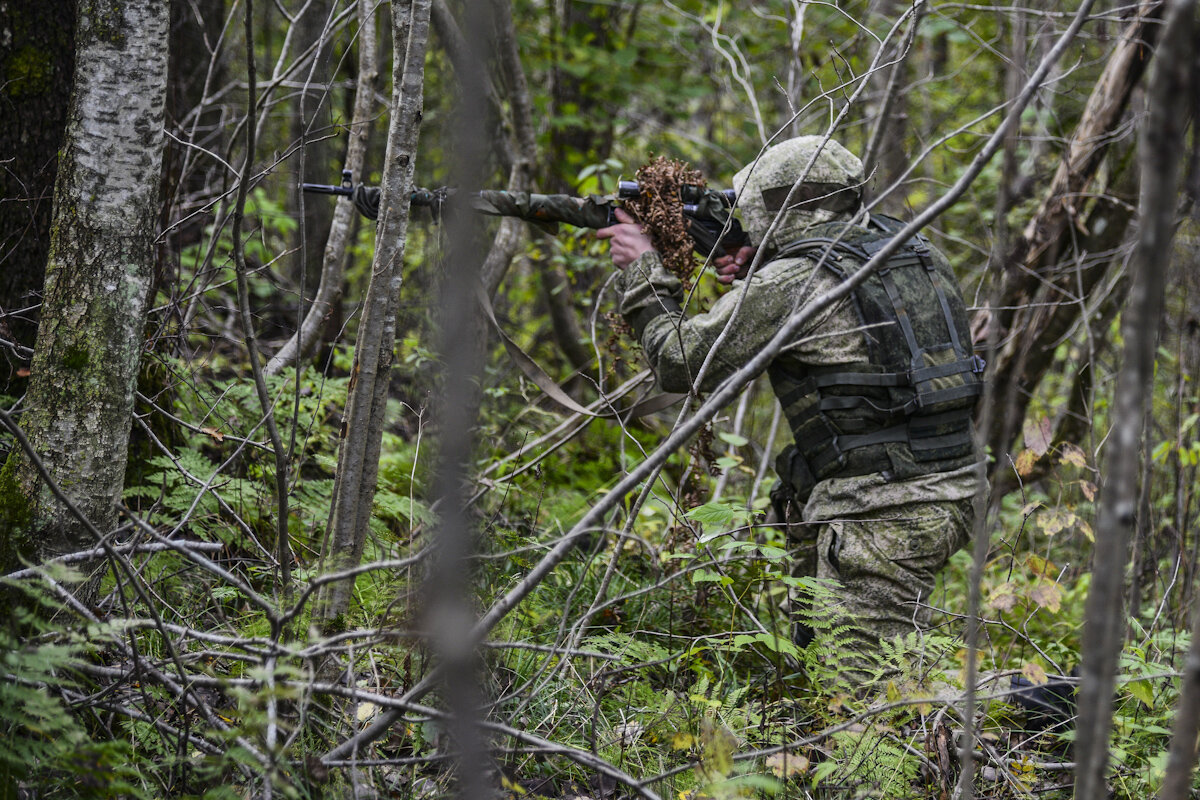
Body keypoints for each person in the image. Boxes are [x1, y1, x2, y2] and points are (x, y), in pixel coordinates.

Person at [597, 136, 985, 681]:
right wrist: (766, 268)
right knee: (831, 670)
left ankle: (1046, 704)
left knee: (868, 701)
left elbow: (679, 360)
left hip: (881, 512)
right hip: (941, 490)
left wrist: (643, 271)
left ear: (769, 205)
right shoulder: (914, 252)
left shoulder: (798, 281)